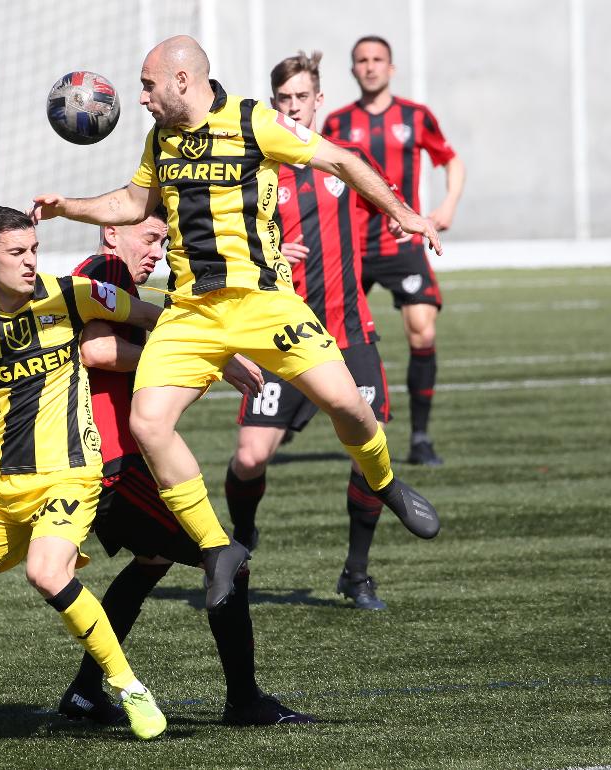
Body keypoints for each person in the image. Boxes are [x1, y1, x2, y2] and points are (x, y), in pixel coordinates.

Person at [32, 35, 442, 612]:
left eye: (148, 85)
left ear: (181, 81)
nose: (141, 98)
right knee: (150, 424)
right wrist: (67, 206)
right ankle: (215, 545)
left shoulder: (255, 122)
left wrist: (404, 213)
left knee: (350, 408)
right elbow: (132, 202)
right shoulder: (160, 138)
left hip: (265, 302)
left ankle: (386, 483)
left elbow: (343, 161)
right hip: (190, 312)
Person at [0, 206, 170, 742]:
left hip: (68, 474)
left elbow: (153, 316)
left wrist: (218, 354)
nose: (30, 263)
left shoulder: (72, 293)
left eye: (34, 251)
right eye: (16, 253)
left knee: (48, 573)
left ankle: (130, 688)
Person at [58, 211, 313, 727]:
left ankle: (85, 694)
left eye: (164, 240)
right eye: (150, 237)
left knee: (152, 559)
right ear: (113, 232)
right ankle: (244, 702)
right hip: (112, 464)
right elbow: (98, 350)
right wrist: (205, 356)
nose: (157, 250)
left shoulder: (119, 283)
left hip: (113, 460)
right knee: (228, 558)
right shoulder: (104, 268)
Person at [226, 51, 433, 613]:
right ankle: (242, 536)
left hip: (348, 334)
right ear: (275, 105)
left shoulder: (343, 160)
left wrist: (401, 215)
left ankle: (356, 573)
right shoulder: (256, 169)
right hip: (282, 334)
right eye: (284, 99)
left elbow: (385, 197)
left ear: (319, 101)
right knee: (248, 459)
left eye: (302, 97)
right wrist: (266, 250)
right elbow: (226, 241)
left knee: (369, 451)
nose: (293, 107)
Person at [322, 35, 466, 466]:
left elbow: (450, 160)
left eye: (377, 59)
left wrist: (447, 206)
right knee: (326, 333)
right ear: (353, 70)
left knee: (422, 330)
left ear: (391, 67)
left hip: (400, 241)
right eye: (361, 60)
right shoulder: (337, 124)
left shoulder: (415, 116)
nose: (369, 66)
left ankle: (420, 437)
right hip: (351, 247)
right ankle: (303, 408)